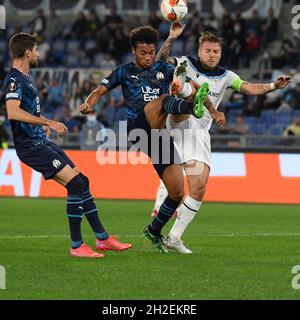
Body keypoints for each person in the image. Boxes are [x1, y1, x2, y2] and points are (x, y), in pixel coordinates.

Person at [153, 26, 292, 254]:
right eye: (207, 50)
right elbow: (159, 62)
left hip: (199, 132)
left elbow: (249, 88)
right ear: (199, 50)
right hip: (180, 120)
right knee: (183, 82)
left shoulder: (227, 76)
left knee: (198, 188)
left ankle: (173, 237)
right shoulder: (186, 61)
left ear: (220, 53)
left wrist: (273, 86)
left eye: (216, 51)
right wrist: (171, 38)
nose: (212, 54)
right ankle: (183, 88)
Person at [79, 25, 216, 254]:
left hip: (159, 136)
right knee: (164, 98)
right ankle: (191, 107)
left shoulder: (164, 68)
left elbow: (194, 85)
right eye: (143, 53)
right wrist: (89, 103)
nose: (148, 57)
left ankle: (153, 230)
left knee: (177, 192)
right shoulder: (123, 71)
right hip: (138, 128)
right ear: (134, 51)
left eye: (151, 52)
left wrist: (215, 110)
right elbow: (100, 89)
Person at [4, 32, 132, 258]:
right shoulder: (14, 79)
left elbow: (27, 111)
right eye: (35, 50)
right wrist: (48, 122)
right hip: (31, 147)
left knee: (82, 181)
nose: (38, 53)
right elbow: (12, 112)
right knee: (75, 185)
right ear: (27, 52)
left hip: (39, 140)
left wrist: (40, 125)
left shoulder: (27, 78)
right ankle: (77, 246)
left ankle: (102, 238)